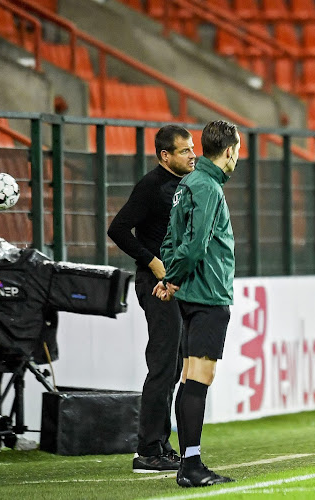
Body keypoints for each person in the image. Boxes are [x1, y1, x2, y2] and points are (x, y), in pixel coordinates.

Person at [153, 120, 241, 487]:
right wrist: (172, 278)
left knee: (190, 377)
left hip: (191, 293)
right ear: (230, 151)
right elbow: (196, 244)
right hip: (207, 293)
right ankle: (191, 466)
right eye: (238, 151)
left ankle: (188, 462)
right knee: (198, 381)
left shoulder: (187, 183)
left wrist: (169, 279)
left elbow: (171, 240)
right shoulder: (207, 187)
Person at [107, 125, 196, 473]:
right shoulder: (151, 186)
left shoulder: (185, 184)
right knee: (162, 364)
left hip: (176, 285)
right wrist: (152, 261)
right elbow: (117, 228)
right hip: (155, 284)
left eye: (192, 148)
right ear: (165, 155)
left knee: (174, 365)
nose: (192, 154)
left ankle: (160, 443)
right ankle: (146, 450)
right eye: (184, 150)